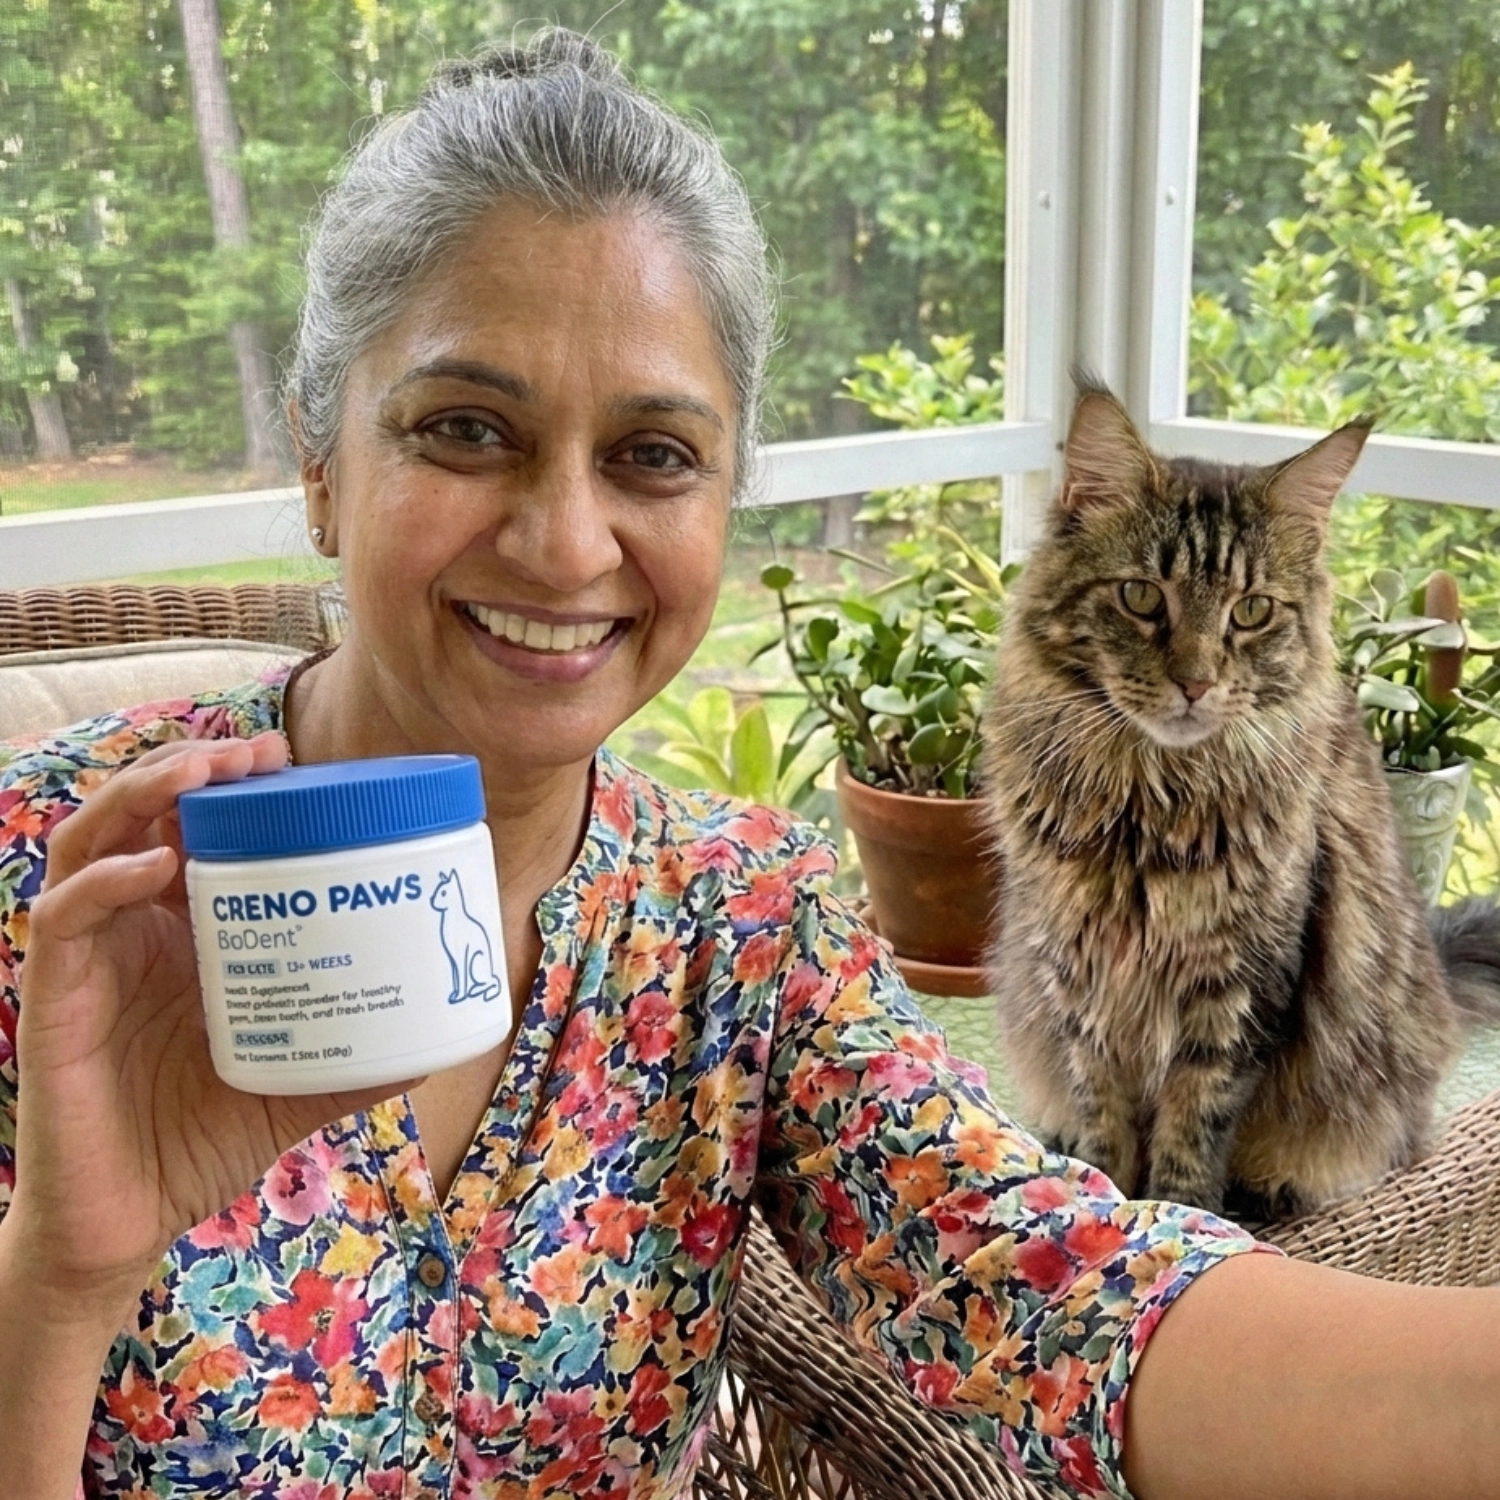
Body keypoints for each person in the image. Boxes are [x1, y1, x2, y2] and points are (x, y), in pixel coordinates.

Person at [1, 29, 1497, 1500]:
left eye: (654, 456)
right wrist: (56, 1288)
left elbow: (1067, 1284)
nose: (567, 545)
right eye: (466, 430)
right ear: (322, 462)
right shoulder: (56, 890)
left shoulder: (740, 925)